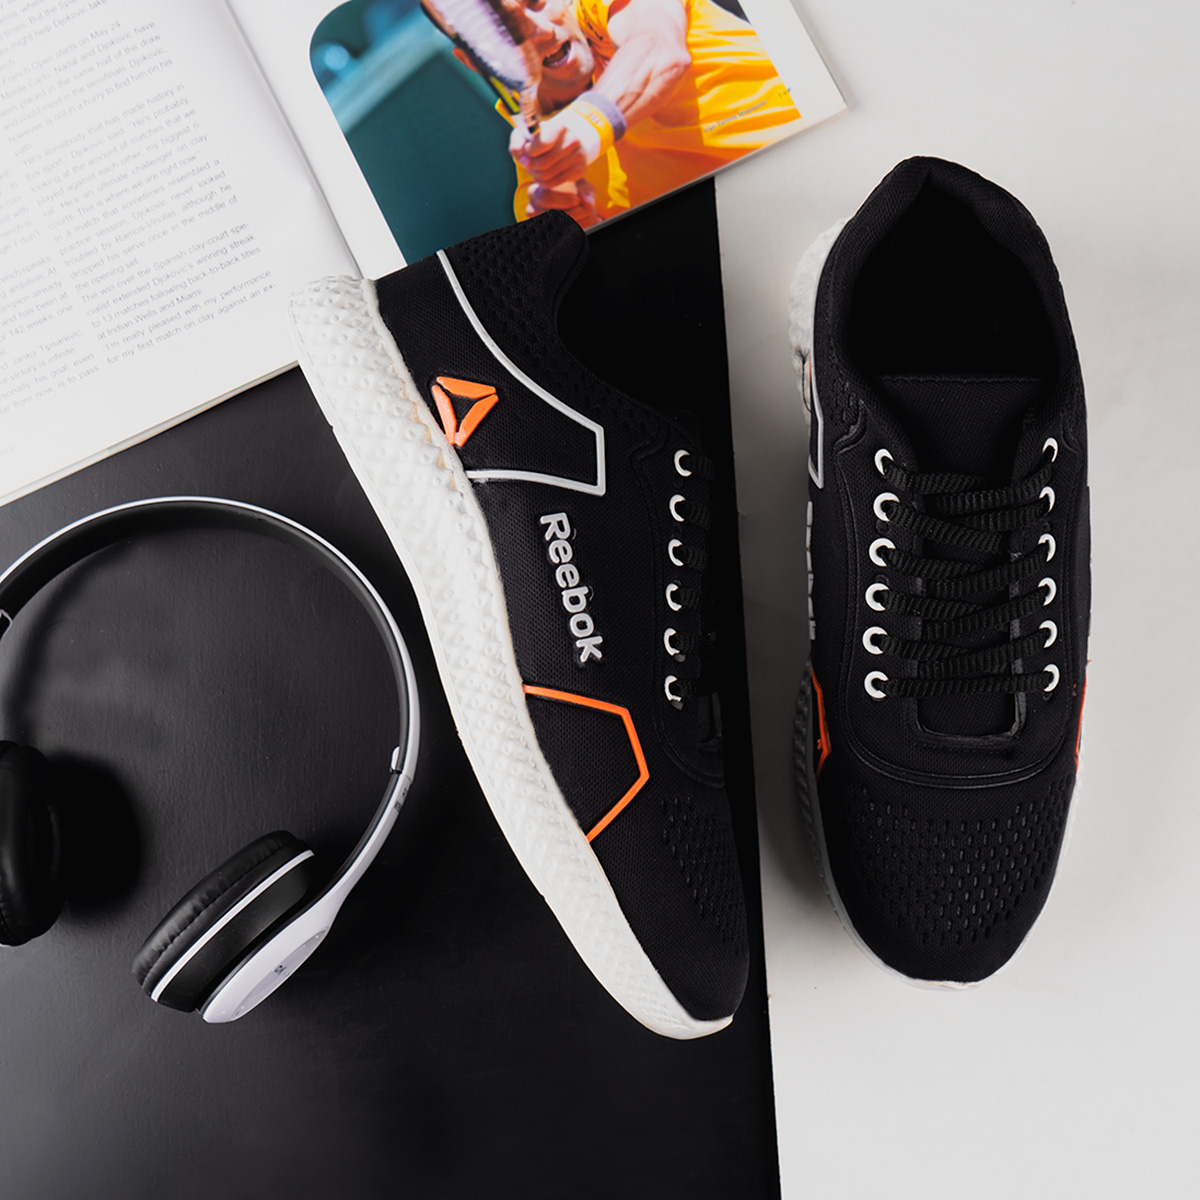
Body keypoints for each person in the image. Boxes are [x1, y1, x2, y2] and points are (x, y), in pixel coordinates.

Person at [446, 0, 803, 226]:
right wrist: (579, 228)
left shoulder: (607, 7)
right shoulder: (536, 196)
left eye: (536, 1)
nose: (541, 30)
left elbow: (659, 48)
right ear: (473, 60)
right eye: (508, 31)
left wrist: (585, 126)